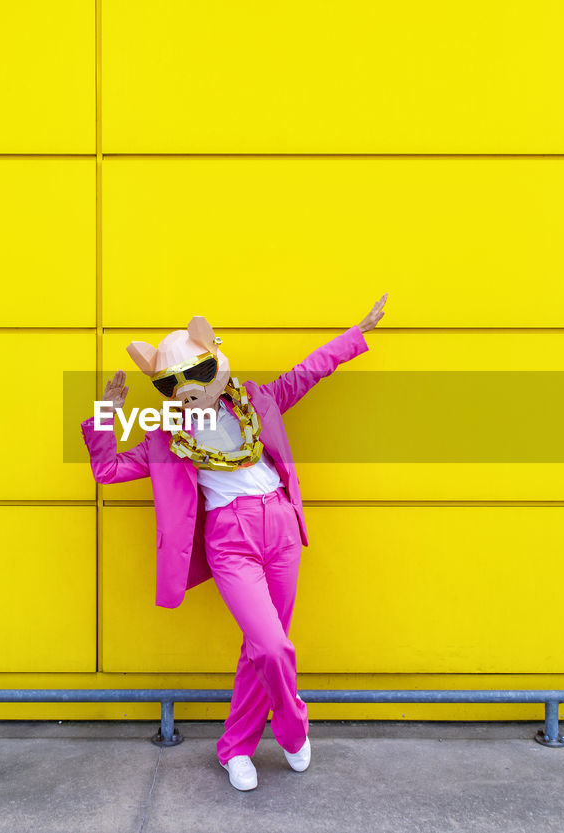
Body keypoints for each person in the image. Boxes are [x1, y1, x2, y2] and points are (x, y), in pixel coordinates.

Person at [79, 294, 387, 791]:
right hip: (231, 538)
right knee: (271, 647)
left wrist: (357, 334)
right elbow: (107, 470)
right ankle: (292, 727)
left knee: (258, 651)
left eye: (196, 376)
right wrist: (106, 413)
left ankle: (236, 748)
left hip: (281, 527)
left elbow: (306, 373)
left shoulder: (257, 401)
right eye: (171, 385)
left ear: (214, 367)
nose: (188, 392)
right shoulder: (167, 436)